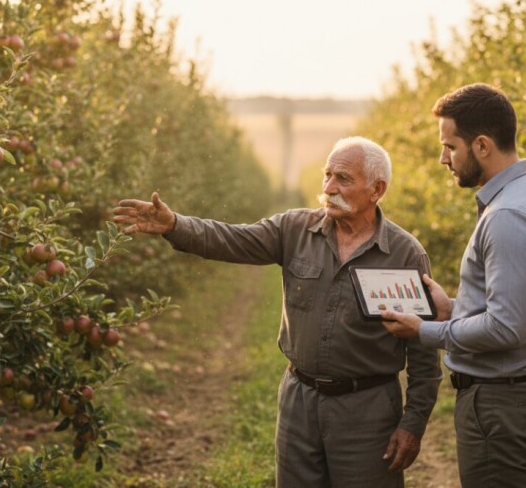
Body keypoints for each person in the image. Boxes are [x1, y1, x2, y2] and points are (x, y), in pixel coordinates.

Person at [112, 136, 442, 488]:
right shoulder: (294, 229)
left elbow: (423, 354)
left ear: (377, 189)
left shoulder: (405, 254)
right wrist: (175, 225)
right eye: (327, 175)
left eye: (343, 178)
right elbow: (231, 239)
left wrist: (412, 424)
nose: (329, 187)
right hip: (299, 402)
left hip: (367, 410)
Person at [380, 83, 526, 488]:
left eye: (450, 146)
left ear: (482, 145)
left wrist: (426, 330)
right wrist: (452, 307)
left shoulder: (508, 216)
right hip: (513, 395)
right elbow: (514, 307)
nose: (442, 158)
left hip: (499, 402)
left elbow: (505, 327)